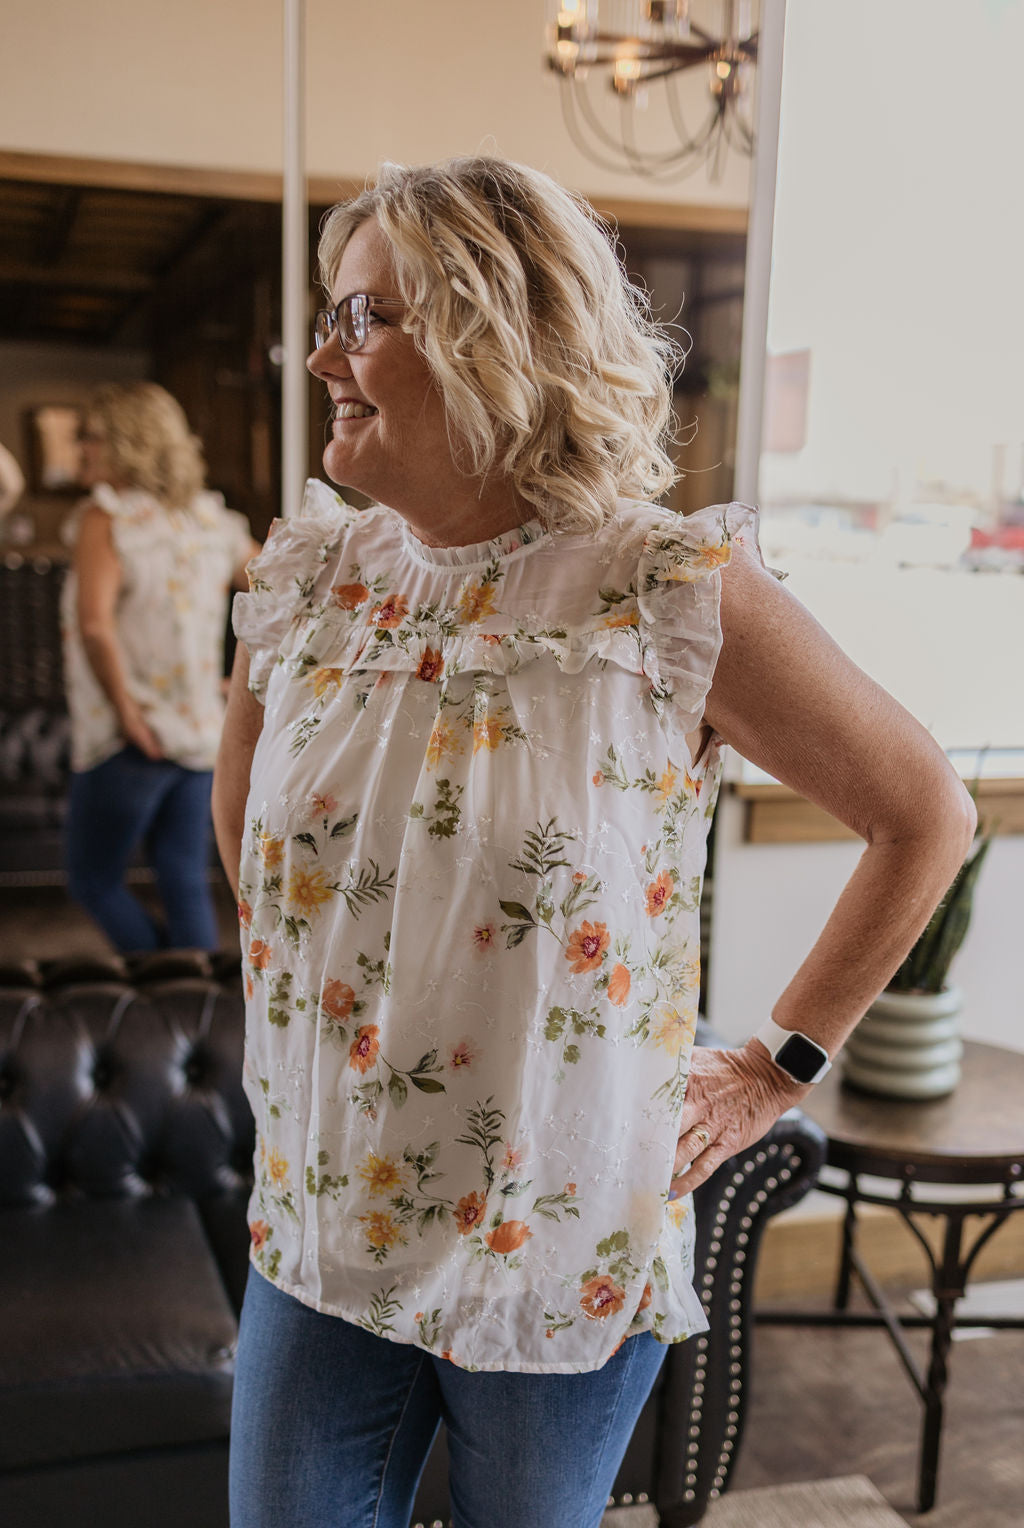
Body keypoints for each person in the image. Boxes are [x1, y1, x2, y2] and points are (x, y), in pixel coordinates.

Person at [212, 157, 975, 1528]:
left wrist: (772, 1066)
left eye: (367, 318)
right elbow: (246, 828)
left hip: (553, 1228)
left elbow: (926, 813)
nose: (325, 351)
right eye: (331, 315)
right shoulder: (301, 580)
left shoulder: (664, 587)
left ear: (494, 334)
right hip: (322, 1216)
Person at [63, 382, 257, 952]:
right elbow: (283, 590)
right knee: (182, 878)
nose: (81, 451)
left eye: (90, 438)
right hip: (200, 733)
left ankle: (160, 995)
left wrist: (128, 718)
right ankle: (195, 1012)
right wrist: (237, 684)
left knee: (92, 879)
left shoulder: (107, 517)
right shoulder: (209, 521)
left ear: (127, 443)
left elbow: (95, 626)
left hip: (132, 735)